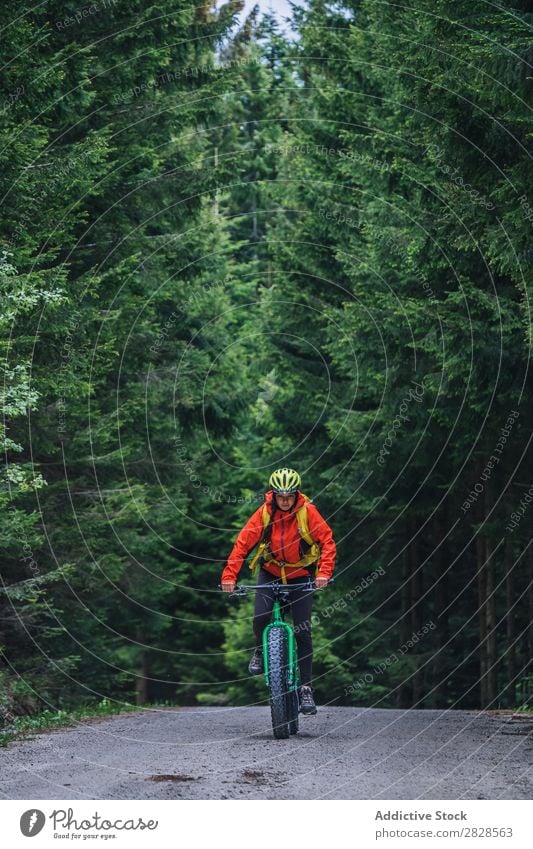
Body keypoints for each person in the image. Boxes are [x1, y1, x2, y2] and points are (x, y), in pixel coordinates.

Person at [221, 467, 336, 715]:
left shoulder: (308, 512)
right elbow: (242, 544)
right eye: (280, 496)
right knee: (260, 617)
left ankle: (306, 688)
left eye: (289, 495)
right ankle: (260, 651)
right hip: (271, 572)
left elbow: (327, 541)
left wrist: (323, 573)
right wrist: (229, 576)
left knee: (303, 631)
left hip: (300, 576)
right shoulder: (264, 513)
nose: (285, 500)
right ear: (273, 494)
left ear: (296, 494)